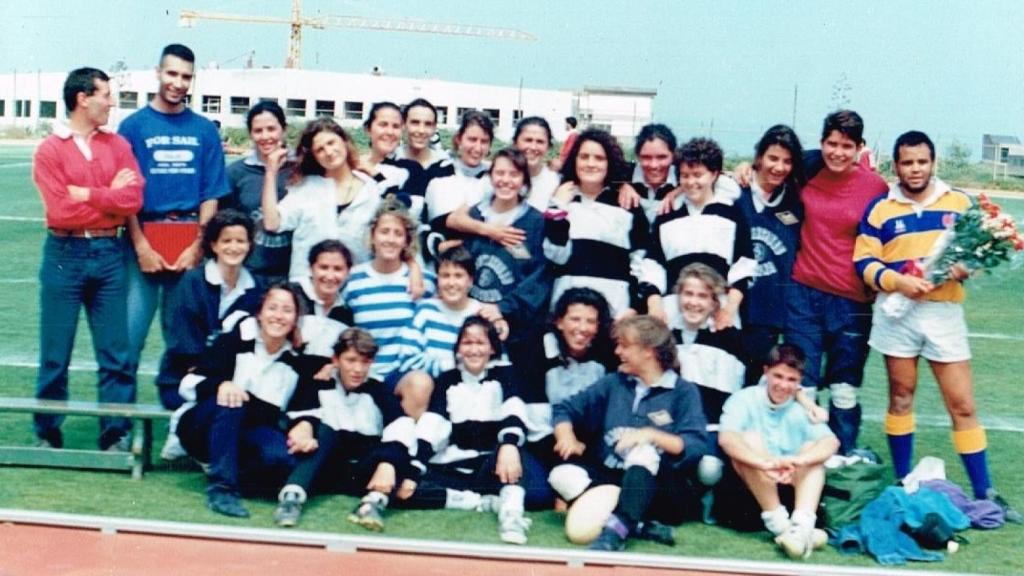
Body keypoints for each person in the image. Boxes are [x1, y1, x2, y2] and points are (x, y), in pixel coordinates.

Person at [853, 130, 1021, 522]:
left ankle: (986, 491)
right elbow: (864, 264)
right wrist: (899, 282)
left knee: (962, 405)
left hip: (942, 313)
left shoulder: (959, 203)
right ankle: (901, 481)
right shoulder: (880, 209)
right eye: (907, 162)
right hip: (897, 312)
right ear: (896, 166)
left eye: (922, 162)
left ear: (934, 163)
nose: (915, 169)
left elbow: (976, 254)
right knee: (901, 397)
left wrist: (966, 269)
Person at [32, 66, 143, 450]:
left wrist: (88, 194)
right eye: (106, 95)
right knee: (55, 353)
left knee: (116, 352)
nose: (112, 102)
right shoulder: (50, 150)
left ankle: (115, 432)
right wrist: (107, 195)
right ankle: (48, 433)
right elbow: (61, 211)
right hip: (65, 252)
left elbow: (134, 199)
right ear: (83, 98)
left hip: (110, 252)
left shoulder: (117, 145)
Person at [118, 43, 230, 410]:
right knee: (128, 340)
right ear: (158, 72)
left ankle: (181, 424)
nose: (178, 83)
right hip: (144, 243)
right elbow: (126, 195)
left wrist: (198, 246)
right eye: (172, 74)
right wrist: (141, 246)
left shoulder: (203, 130)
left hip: (189, 244)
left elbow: (211, 194)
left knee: (184, 343)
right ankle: (117, 427)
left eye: (185, 76)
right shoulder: (133, 127)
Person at [549, 315, 709, 552]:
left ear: (648, 351)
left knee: (643, 451)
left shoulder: (683, 392)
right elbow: (565, 408)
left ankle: (616, 532)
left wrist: (651, 435)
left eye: (624, 345)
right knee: (560, 475)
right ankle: (637, 526)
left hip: (661, 492)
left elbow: (695, 446)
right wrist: (565, 435)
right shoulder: (614, 383)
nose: (617, 351)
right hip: (611, 480)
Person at [783, 110, 887, 455]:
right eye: (832, 143)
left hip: (851, 301)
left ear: (859, 148)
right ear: (821, 142)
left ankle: (843, 459)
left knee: (844, 388)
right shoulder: (806, 171)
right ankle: (799, 457)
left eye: (846, 146)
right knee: (803, 381)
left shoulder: (875, 186)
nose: (837, 152)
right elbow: (767, 170)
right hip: (803, 292)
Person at [396, 316, 545, 545]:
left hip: (492, 464)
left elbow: (514, 412)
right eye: (467, 343)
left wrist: (509, 446)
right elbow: (433, 426)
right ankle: (477, 502)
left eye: (480, 343)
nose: (474, 349)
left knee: (527, 477)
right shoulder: (447, 380)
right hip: (455, 465)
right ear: (458, 349)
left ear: (492, 348)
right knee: (404, 487)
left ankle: (511, 517)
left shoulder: (504, 376)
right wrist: (414, 471)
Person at [175, 283, 318, 518]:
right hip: (203, 426)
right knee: (234, 401)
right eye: (272, 308)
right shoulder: (234, 340)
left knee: (281, 459)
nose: (278, 316)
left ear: (296, 318)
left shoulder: (297, 361)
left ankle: (228, 469)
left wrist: (306, 425)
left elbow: (306, 406)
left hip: (248, 433)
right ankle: (222, 489)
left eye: (287, 310)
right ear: (260, 313)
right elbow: (189, 384)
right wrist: (221, 385)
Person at [273, 328, 418, 529]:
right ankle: (292, 497)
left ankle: (373, 503)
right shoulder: (319, 383)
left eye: (365, 362)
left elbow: (401, 427)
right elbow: (303, 415)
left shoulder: (378, 389)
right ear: (336, 359)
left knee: (401, 468)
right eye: (351, 360)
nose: (358, 369)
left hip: (360, 468)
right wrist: (304, 428)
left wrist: (388, 465)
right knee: (326, 430)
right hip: (322, 462)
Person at [159, 209, 264, 460]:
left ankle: (200, 446)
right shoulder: (192, 282)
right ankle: (184, 434)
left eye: (241, 241)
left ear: (250, 245)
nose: (234, 247)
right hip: (184, 378)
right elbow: (183, 341)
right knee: (219, 399)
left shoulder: (256, 288)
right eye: (226, 241)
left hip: (232, 379)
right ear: (214, 245)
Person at [718, 344, 838, 560]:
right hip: (752, 491)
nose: (783, 385)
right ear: (766, 372)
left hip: (790, 486)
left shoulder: (804, 408)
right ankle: (782, 526)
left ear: (800, 381)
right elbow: (727, 439)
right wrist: (764, 463)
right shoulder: (743, 399)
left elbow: (831, 442)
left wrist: (799, 461)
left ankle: (800, 526)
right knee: (748, 440)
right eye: (778, 376)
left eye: (791, 380)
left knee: (813, 450)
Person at [447, 148, 551, 367]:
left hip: (514, 325)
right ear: (491, 176)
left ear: (524, 179)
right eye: (500, 173)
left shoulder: (533, 221)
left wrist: (503, 307)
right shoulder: (475, 216)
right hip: (471, 318)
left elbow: (538, 277)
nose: (506, 180)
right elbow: (457, 259)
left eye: (514, 174)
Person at [646, 137, 755, 331]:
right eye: (685, 175)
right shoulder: (666, 214)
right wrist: (655, 306)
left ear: (714, 175)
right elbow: (653, 265)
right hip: (673, 313)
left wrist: (728, 310)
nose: (690, 182)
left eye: (697, 175)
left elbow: (743, 265)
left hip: (719, 315)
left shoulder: (731, 212)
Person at [544, 128, 652, 319]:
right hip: (569, 314)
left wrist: (634, 306)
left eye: (599, 158)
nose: (590, 164)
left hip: (615, 312)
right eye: (584, 157)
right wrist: (558, 208)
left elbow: (640, 261)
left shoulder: (627, 203)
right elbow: (555, 256)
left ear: (610, 163)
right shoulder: (561, 198)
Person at [341, 197, 436, 414]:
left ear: (406, 241)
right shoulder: (353, 280)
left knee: (420, 383)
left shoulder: (424, 283)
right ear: (372, 235)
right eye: (384, 232)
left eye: (398, 234)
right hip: (363, 373)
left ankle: (404, 443)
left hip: (401, 374)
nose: (390, 240)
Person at [261, 118, 381, 276]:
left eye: (331, 143)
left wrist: (376, 174)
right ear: (314, 156)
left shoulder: (370, 188)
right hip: (307, 286)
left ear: (344, 141)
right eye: (320, 149)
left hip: (355, 285)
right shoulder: (305, 188)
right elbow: (272, 223)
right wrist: (270, 172)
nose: (329, 152)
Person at [735, 125, 806, 385]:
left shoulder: (796, 201)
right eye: (773, 158)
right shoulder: (733, 192)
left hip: (768, 315)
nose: (779, 167)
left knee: (754, 389)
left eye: (787, 161)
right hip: (732, 309)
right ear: (759, 158)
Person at [517, 288, 616, 472]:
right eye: (575, 319)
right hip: (545, 441)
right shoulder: (538, 351)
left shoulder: (607, 355)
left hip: (590, 444)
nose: (583, 328)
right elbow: (535, 413)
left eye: (591, 321)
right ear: (559, 322)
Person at [220, 101, 293, 285]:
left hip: (293, 274)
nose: (265, 136)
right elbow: (223, 224)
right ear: (250, 134)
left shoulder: (301, 170)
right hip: (248, 274)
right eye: (258, 131)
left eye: (271, 129)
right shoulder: (236, 173)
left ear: (284, 130)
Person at [423, 110, 494, 259]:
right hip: (445, 264)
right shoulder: (439, 171)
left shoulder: (494, 173)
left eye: (484, 141)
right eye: (472, 139)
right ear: (459, 139)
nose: (478, 147)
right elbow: (448, 222)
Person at [291, 239, 354, 363]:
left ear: (348, 272)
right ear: (311, 268)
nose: (330, 276)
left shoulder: (345, 314)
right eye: (324, 267)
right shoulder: (292, 296)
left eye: (338, 269)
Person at [359, 101, 425, 212]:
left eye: (396, 126)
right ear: (368, 129)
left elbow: (408, 211)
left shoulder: (412, 169)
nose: (390, 132)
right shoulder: (352, 165)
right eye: (383, 125)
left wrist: (375, 175)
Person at [513, 116, 561, 211]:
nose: (533, 147)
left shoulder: (556, 182)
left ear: (548, 146)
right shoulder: (499, 177)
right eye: (528, 140)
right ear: (515, 143)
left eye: (540, 142)